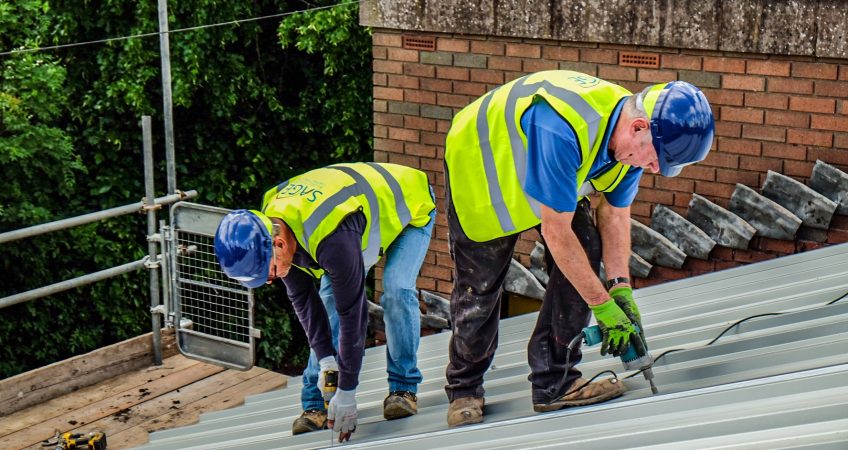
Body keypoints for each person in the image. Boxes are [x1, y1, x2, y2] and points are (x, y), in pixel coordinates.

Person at [442, 70, 714, 427]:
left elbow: (615, 214)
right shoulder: (566, 127)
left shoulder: (630, 137)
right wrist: (601, 306)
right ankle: (465, 388)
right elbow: (557, 233)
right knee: (480, 286)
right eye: (653, 159)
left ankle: (556, 381)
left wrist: (620, 289)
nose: (652, 168)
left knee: (586, 246)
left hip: (548, 174)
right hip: (484, 167)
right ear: (638, 127)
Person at [214, 162, 436, 442]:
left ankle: (403, 388)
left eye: (268, 272)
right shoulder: (269, 230)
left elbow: (353, 314)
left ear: (280, 245)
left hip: (408, 209)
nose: (270, 281)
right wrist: (327, 361)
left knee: (396, 290)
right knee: (327, 301)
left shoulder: (333, 238)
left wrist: (347, 392)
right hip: (357, 225)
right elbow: (306, 303)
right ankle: (314, 403)